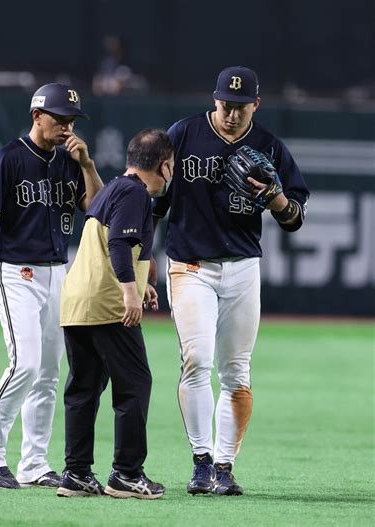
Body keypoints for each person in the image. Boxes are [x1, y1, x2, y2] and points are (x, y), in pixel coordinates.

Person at [152, 66, 310, 496]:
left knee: (237, 372)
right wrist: (140, 255)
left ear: (256, 104)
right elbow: (155, 200)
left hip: (242, 266)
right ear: (214, 99)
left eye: (242, 106)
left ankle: (225, 466)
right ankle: (201, 462)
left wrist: (276, 198)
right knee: (197, 360)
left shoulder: (268, 146)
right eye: (226, 104)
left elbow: (295, 216)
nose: (233, 113)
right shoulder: (183, 135)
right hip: (190, 265)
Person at [0, 83, 103, 489]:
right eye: (59, 118)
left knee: (47, 373)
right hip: (14, 271)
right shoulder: (8, 159)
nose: (66, 127)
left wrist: (88, 166)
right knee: (24, 364)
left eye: (71, 120)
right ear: (36, 116)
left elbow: (96, 211)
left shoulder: (70, 162)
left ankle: (34, 464)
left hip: (56, 272)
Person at [56, 128, 173, 499]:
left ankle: (75, 474)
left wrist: (142, 284)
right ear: (165, 166)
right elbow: (119, 243)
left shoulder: (111, 189)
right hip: (108, 304)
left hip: (76, 302)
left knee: (83, 388)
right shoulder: (135, 192)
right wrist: (129, 293)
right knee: (135, 383)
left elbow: (105, 246)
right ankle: (126, 473)